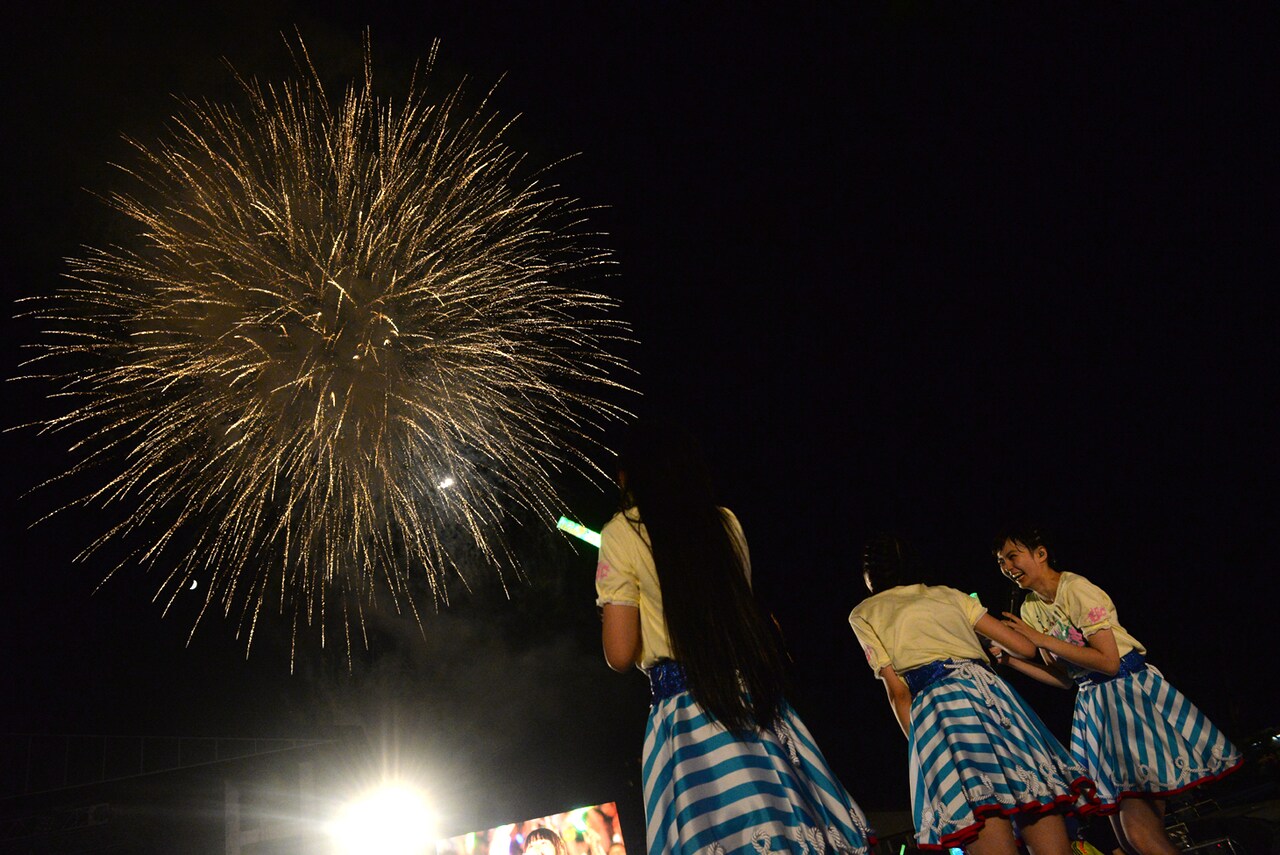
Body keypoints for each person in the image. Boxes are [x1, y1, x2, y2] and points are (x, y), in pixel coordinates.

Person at [594, 421, 874, 855]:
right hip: (753, 702)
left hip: (688, 720)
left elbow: (619, 652)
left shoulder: (620, 532)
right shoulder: (725, 523)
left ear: (629, 477)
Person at [992, 527, 1243, 855]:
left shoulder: (1076, 589)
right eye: (1001, 562)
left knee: (1139, 835)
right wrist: (1009, 660)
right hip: (1094, 707)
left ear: (1041, 554)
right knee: (1128, 841)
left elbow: (1109, 662)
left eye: (1013, 556)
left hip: (1128, 700)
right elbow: (1064, 679)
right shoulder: (1031, 608)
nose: (1007, 566)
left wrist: (1040, 639)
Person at [849, 534, 1094, 855]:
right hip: (991, 698)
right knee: (1035, 799)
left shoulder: (865, 612)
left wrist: (920, 747)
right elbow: (1024, 648)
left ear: (870, 574)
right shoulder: (949, 595)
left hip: (942, 712)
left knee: (981, 810)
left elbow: (898, 692)